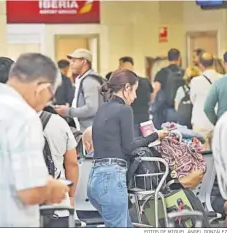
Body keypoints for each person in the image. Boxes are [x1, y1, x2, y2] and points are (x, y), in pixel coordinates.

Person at [0, 53, 69, 227]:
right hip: (8, 220)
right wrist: (54, 189)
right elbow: (30, 192)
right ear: (41, 88)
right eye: (50, 97)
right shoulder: (23, 116)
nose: (45, 104)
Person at [87, 69, 167, 227]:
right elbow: (129, 147)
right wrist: (155, 136)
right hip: (111, 179)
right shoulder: (124, 110)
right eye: (135, 91)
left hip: (95, 178)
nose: (136, 96)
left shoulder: (103, 108)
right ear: (127, 88)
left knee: (123, 225)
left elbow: (119, 143)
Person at [40, 110, 79, 228]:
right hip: (58, 204)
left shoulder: (10, 121)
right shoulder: (58, 122)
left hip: (22, 206)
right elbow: (72, 163)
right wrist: (71, 196)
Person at [55, 48, 103, 132]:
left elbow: (91, 108)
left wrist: (68, 111)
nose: (71, 64)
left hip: (92, 130)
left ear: (84, 62)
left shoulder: (89, 81)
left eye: (74, 61)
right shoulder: (83, 79)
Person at [190, 52, 222, 150]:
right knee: (219, 154)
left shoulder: (195, 81)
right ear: (213, 62)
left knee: (202, 156)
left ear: (200, 64)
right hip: (218, 121)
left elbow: (192, 99)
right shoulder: (222, 79)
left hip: (200, 121)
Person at [119, 56, 153, 137]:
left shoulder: (124, 85)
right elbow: (152, 97)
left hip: (132, 121)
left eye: (120, 66)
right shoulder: (145, 81)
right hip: (146, 119)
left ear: (124, 66)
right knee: (149, 144)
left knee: (135, 147)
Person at [151, 48, 184, 127]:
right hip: (182, 110)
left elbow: (156, 90)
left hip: (165, 110)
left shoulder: (162, 72)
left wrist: (153, 105)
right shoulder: (184, 72)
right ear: (179, 58)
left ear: (168, 58)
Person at [204, 52, 227, 125]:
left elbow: (207, 108)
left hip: (224, 125)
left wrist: (217, 123)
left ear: (225, 64)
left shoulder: (219, 83)